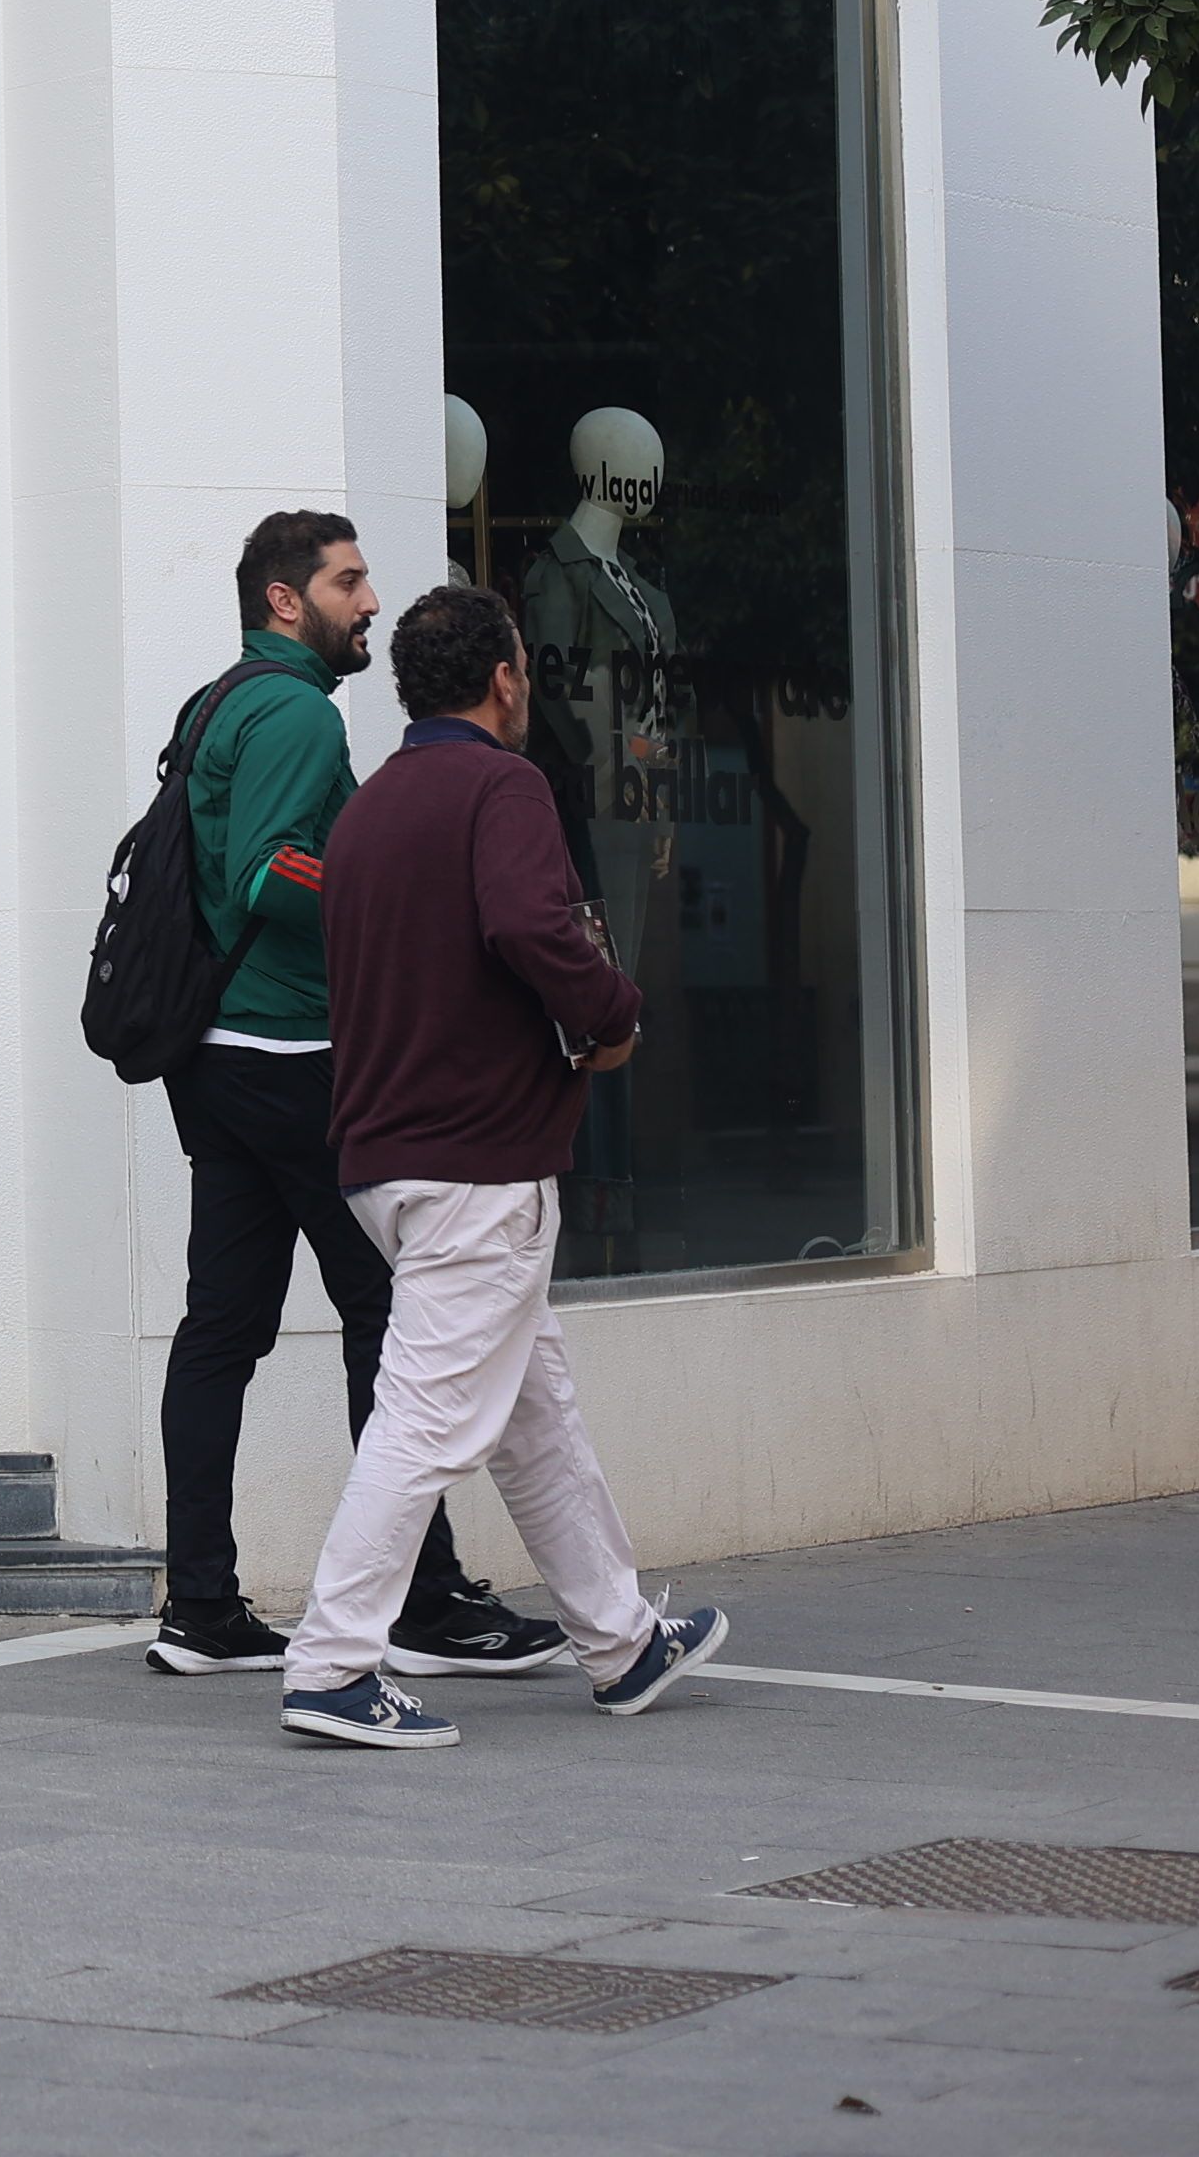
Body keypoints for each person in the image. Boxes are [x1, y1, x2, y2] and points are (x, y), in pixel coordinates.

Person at [279, 579, 726, 1750]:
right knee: (424, 1420)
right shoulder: (503, 786)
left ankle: (622, 1643)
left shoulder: (370, 810)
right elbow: (534, 930)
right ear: (505, 679)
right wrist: (611, 1009)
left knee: (537, 1417)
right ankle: (330, 1666)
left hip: (387, 1158)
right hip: (478, 1161)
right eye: (522, 666)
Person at [145, 513, 568, 1682]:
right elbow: (270, 867)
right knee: (394, 1311)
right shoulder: (292, 710)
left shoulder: (216, 700)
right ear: (287, 601)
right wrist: (400, 903)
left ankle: (202, 1605)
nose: (369, 602)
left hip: (218, 1055)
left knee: (223, 1325)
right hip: (284, 1047)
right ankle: (423, 1604)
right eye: (348, 581)